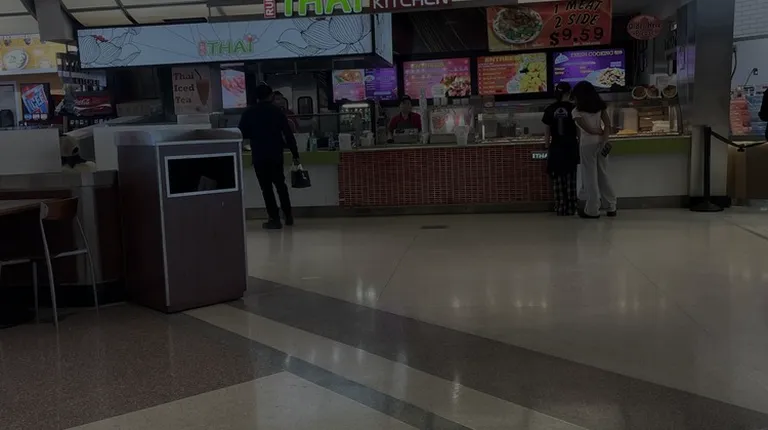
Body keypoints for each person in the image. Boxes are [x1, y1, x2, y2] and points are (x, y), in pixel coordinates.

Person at [238, 83, 300, 230]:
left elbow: (241, 133)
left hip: (259, 155)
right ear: (271, 95)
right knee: (280, 186)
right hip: (275, 154)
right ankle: (288, 216)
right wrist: (295, 154)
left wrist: (255, 134)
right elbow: (288, 134)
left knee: (266, 189)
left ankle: (274, 219)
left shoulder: (248, 113)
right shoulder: (277, 112)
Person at [571, 81, 616, 219]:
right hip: (601, 143)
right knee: (603, 174)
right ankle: (611, 206)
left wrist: (596, 131)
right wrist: (604, 139)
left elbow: (588, 129)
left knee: (589, 176)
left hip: (587, 144)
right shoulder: (600, 107)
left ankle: (592, 209)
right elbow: (608, 125)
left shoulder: (576, 111)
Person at [542, 82, 579, 216]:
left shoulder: (550, 109)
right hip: (571, 146)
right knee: (571, 178)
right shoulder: (574, 108)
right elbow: (578, 130)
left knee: (557, 178)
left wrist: (547, 146)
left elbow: (547, 132)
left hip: (556, 147)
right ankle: (571, 207)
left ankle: (560, 207)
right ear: (569, 93)